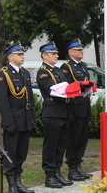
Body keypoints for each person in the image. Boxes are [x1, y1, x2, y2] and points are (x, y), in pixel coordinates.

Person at [0, 42, 35, 193]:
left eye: (22, 54)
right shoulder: (3, 74)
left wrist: (32, 116)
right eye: (19, 54)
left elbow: (30, 97)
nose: (22, 56)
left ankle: (19, 183)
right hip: (13, 118)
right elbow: (2, 100)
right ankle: (12, 185)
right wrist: (8, 121)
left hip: (25, 118)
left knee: (21, 153)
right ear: (10, 57)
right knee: (10, 153)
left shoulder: (24, 73)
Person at [36, 41, 73, 188]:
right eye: (53, 53)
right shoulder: (43, 71)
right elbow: (53, 88)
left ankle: (57, 172)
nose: (56, 56)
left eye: (57, 53)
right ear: (44, 56)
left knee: (61, 144)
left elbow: (67, 86)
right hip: (52, 112)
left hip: (63, 111)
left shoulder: (58, 70)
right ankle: (49, 175)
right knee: (51, 145)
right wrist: (70, 89)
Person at [60, 39, 94, 181]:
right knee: (73, 138)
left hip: (84, 106)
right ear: (71, 52)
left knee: (82, 138)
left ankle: (78, 165)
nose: (82, 51)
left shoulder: (83, 66)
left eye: (82, 49)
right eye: (78, 50)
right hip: (74, 106)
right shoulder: (66, 66)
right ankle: (72, 168)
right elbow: (67, 87)